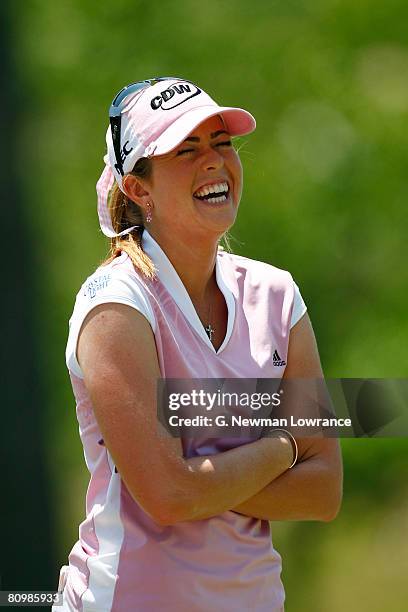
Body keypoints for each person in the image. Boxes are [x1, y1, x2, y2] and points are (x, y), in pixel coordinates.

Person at [55, 78, 343, 612]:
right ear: (139, 189)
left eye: (222, 144)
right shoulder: (115, 305)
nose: (213, 162)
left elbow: (324, 491)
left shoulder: (277, 295)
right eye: (186, 150)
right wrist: (285, 446)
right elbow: (169, 497)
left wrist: (198, 481)